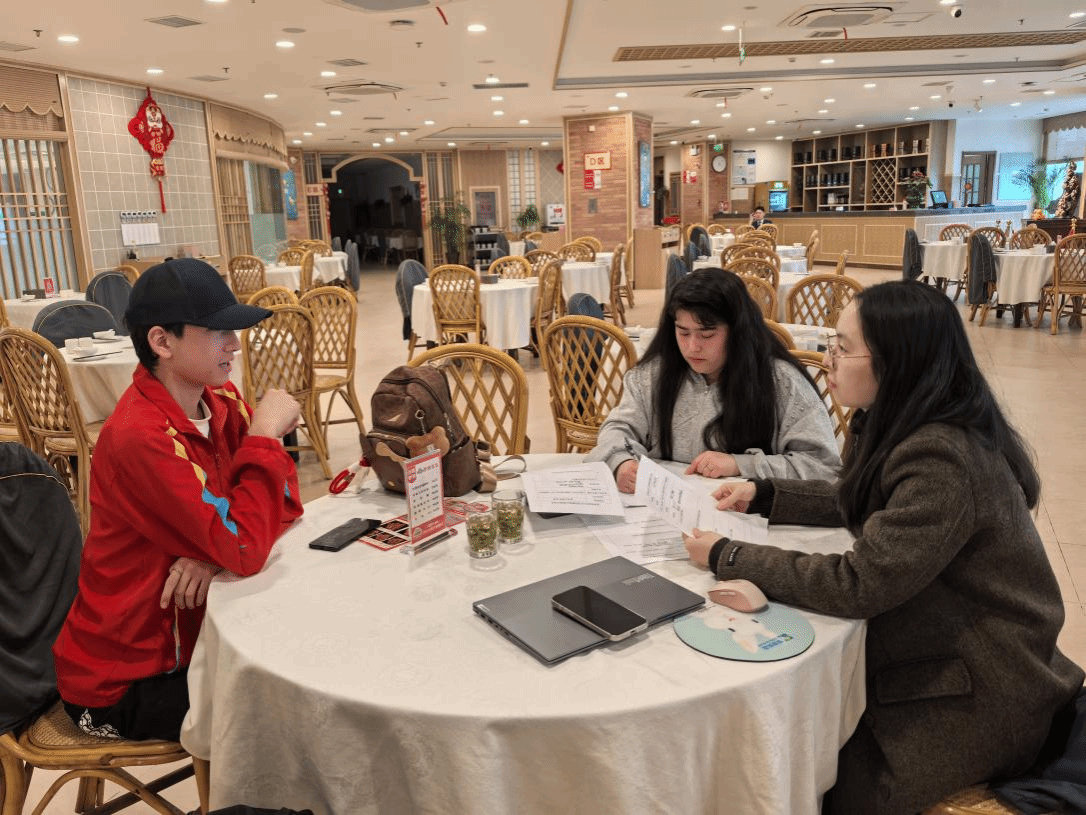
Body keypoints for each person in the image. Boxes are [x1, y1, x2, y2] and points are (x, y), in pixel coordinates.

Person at [684, 281, 1084, 814]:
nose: (828, 357)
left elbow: (859, 584)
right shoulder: (898, 421)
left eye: (843, 347)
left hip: (982, 685)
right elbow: (863, 496)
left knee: (806, 770)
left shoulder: (942, 456)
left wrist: (727, 555)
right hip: (947, 655)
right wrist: (766, 493)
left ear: (896, 362)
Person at [53, 258, 305, 742]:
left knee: (308, 654)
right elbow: (247, 546)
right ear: (162, 342)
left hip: (200, 639)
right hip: (124, 681)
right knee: (289, 711)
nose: (234, 344)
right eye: (217, 331)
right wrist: (264, 436)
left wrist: (213, 555)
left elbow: (286, 504)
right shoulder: (140, 435)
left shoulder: (220, 401)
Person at [586, 269, 841, 492]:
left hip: (745, 518)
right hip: (660, 509)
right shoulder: (654, 374)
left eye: (707, 335)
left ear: (737, 331)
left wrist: (741, 464)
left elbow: (823, 468)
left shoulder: (782, 381)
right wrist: (621, 462)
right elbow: (618, 429)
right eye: (683, 332)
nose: (692, 347)